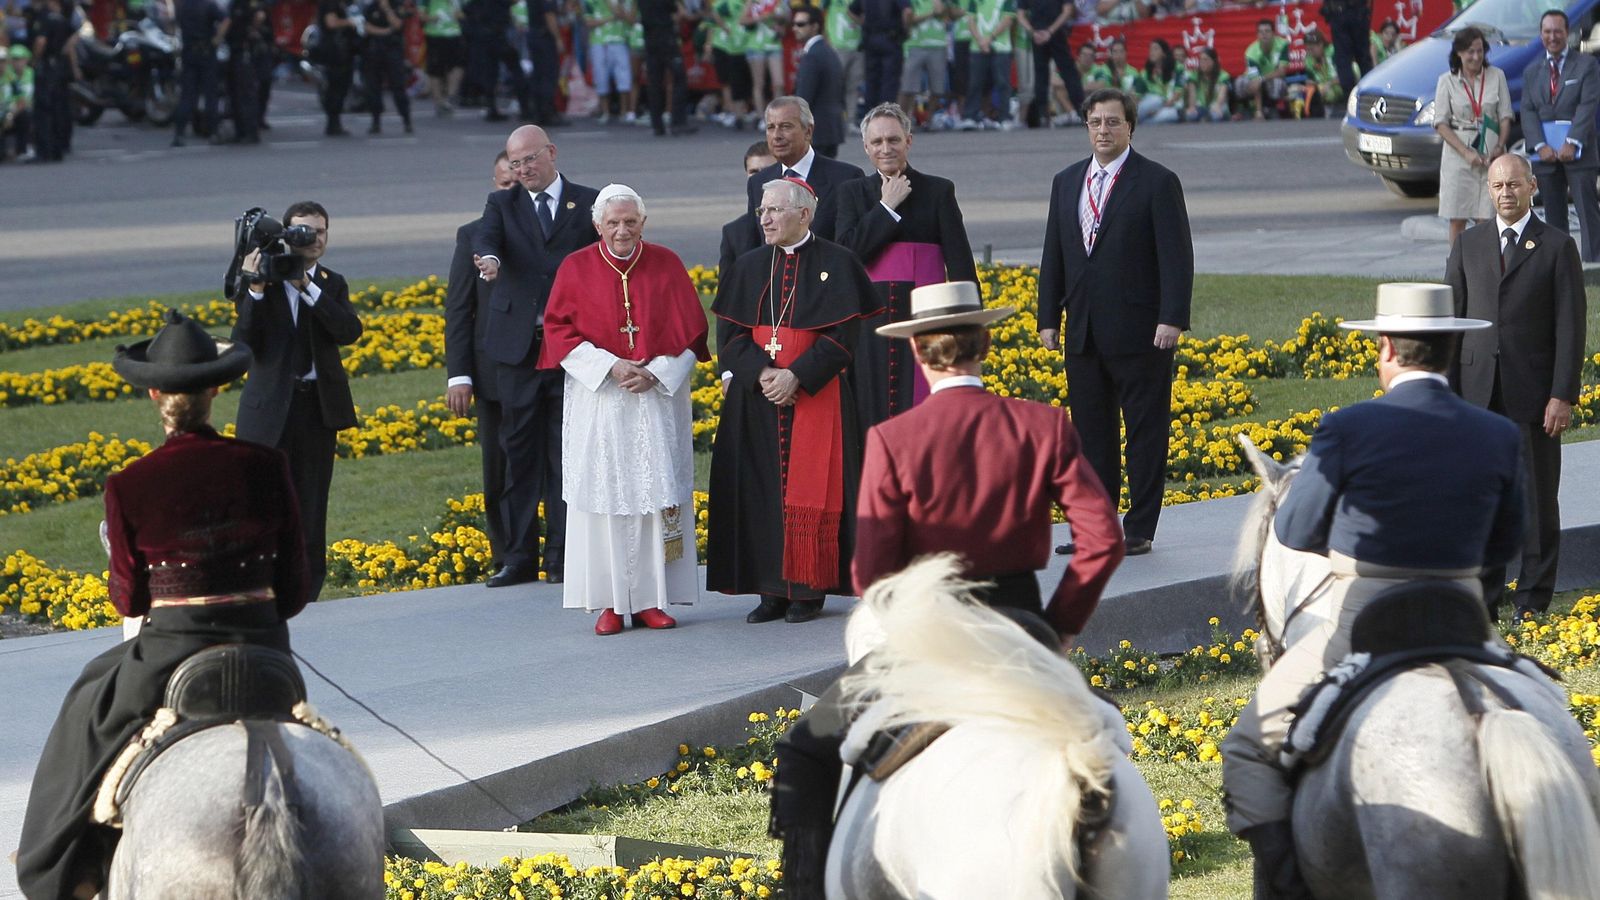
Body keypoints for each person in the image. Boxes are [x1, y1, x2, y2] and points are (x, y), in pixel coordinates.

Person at [1220, 282, 1520, 900]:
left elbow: (1295, 527)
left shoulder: (1347, 427)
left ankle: (1287, 883)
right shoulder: (1497, 433)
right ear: (1448, 350)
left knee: (1248, 750)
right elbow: (1505, 549)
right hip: (1467, 621)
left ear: (1385, 348)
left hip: (1361, 624)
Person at [16, 311, 308, 900]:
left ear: (155, 394)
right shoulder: (266, 465)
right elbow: (297, 590)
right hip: (265, 649)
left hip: (171, 655)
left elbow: (128, 597)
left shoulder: (129, 484)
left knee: (86, 704)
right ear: (216, 390)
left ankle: (67, 872)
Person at [854, 280, 1125, 635]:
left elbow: (871, 573)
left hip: (932, 630)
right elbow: (1103, 538)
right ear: (985, 344)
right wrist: (1058, 627)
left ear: (916, 350)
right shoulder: (1042, 426)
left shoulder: (892, 440)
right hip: (1020, 620)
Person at [538, 185, 711, 634]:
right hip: (601, 403)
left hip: (654, 402)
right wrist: (612, 366)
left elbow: (693, 336)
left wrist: (655, 371)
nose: (621, 231)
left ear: (643, 224)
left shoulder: (666, 263)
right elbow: (559, 333)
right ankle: (610, 602)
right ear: (597, 225)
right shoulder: (575, 268)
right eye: (612, 222)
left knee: (654, 497)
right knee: (605, 496)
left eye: (629, 222)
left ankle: (653, 599)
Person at [707, 177, 877, 624]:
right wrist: (764, 374)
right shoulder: (748, 266)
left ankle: (808, 590)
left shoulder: (838, 263)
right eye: (762, 210)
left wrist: (796, 376)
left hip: (816, 396)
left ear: (804, 214)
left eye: (775, 210)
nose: (764, 218)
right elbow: (730, 337)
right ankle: (769, 589)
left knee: (815, 489)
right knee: (760, 489)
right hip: (757, 398)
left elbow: (844, 337)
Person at [1038, 88, 1193, 557]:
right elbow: (1054, 254)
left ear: (1130, 127)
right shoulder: (1066, 182)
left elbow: (1176, 256)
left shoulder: (1156, 181)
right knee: (1091, 434)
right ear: (1085, 126)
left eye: (1112, 122)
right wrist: (1048, 316)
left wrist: (1172, 317)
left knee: (1145, 430)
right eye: (1095, 122)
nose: (1103, 130)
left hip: (1142, 332)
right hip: (1083, 332)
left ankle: (1140, 527)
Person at [1448, 153, 1586, 618]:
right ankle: (1484, 599)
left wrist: (1562, 393)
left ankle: (1532, 598)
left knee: (1537, 501)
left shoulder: (1556, 246)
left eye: (1513, 185)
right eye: (1497, 186)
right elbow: (1452, 323)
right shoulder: (1468, 245)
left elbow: (1571, 326)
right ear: (1488, 191)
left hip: (1534, 395)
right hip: (1477, 395)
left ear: (1532, 187)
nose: (1505, 193)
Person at [473, 125, 601, 588]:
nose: (522, 169)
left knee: (567, 457)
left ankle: (563, 558)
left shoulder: (588, 201)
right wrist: (490, 261)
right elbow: (486, 241)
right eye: (514, 163)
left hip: (571, 350)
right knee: (519, 454)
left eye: (529, 160)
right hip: (517, 351)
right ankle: (518, 557)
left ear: (551, 153)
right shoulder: (501, 204)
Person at [232, 201, 364, 603]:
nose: (314, 239)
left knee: (311, 501)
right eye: (304, 231)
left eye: (321, 232)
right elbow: (244, 342)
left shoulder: (330, 282)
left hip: (315, 409)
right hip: (268, 411)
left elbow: (347, 330)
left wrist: (308, 288)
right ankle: (262, 583)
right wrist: (254, 287)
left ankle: (308, 588)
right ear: (287, 235)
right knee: (263, 501)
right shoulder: (263, 277)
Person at [834, 102, 976, 427]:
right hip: (870, 327)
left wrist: (967, 328)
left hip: (928, 322)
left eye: (894, 140)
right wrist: (887, 208)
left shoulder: (939, 190)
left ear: (908, 141)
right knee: (872, 417)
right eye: (878, 142)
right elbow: (847, 254)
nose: (886, 148)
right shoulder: (852, 193)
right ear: (866, 147)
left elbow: (961, 265)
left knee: (927, 419)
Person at [445, 153, 519, 572]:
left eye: (518, 184)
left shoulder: (547, 231)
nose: (512, 192)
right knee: (498, 467)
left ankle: (557, 553)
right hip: (491, 374)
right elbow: (459, 309)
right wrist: (460, 375)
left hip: (544, 369)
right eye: (504, 185)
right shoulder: (472, 236)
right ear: (494, 186)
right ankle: (506, 555)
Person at [1522, 9, 1600, 263]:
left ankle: (1593, 266)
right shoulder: (1532, 72)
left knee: (1587, 213)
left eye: (1557, 31)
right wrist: (1540, 145)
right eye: (1547, 32)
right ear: (1541, 34)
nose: (1552, 37)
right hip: (1546, 157)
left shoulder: (1587, 65)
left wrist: (1572, 141)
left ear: (1568, 33)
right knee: (1554, 217)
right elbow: (1528, 110)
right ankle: (1561, 267)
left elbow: (1588, 104)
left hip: (1579, 153)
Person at [743, 95, 865, 240]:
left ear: (808, 131)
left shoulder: (846, 178)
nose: (776, 135)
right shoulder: (758, 182)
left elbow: (853, 244)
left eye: (785, 126)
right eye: (771, 127)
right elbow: (753, 244)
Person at [1433, 26, 1511, 245]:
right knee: (1457, 216)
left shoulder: (1497, 76)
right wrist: (1465, 152)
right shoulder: (1446, 81)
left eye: (1479, 51)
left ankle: (1483, 268)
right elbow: (1440, 123)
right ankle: (1457, 268)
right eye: (1470, 52)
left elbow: (1505, 115)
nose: (1476, 57)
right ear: (1459, 52)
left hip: (1491, 153)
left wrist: (1500, 146)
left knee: (1487, 217)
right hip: (1458, 154)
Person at [171, 0, 227, 147]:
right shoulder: (208, 5)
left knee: (187, 96)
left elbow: (174, 25)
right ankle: (213, 132)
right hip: (207, 53)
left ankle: (179, 134)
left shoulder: (183, 7)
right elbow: (226, 20)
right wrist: (217, 40)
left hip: (189, 53)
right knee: (210, 96)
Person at [1016, 0, 1080, 129]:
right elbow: (1067, 11)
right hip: (1050, 33)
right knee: (1064, 73)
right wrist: (1045, 32)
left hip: (1043, 34)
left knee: (1045, 74)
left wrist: (1035, 32)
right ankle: (1079, 111)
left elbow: (1020, 16)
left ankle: (1043, 115)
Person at [791, 5, 845, 157]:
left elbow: (803, 99)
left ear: (815, 26)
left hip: (816, 132)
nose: (795, 28)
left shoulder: (812, 56)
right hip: (831, 128)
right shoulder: (828, 51)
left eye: (801, 24)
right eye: (794, 24)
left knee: (812, 179)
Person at [721, 140, 778, 277]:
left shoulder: (799, 223)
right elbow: (726, 291)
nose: (760, 178)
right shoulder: (733, 232)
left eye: (767, 171)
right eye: (754, 172)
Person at [27, 0, 74, 163]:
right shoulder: (61, 18)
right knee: (58, 109)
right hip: (59, 66)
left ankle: (43, 151)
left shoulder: (44, 17)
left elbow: (41, 41)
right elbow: (72, 40)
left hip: (46, 67)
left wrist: (33, 60)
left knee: (43, 110)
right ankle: (57, 149)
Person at [640, 0, 695, 135]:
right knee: (679, 78)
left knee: (654, 82)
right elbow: (680, 13)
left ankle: (657, 124)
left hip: (650, 40)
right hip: (666, 38)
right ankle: (678, 121)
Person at [362, 0, 416, 133]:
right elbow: (366, 27)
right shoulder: (371, 7)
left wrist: (387, 9)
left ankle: (406, 119)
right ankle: (376, 121)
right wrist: (385, 31)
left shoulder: (396, 5)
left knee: (398, 85)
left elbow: (397, 24)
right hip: (374, 51)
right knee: (373, 87)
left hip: (393, 51)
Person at [960, 0, 1013, 130]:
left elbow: (1007, 19)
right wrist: (980, 40)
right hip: (978, 47)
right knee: (975, 83)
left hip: (1001, 47)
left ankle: (1004, 118)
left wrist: (989, 39)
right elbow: (971, 20)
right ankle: (970, 117)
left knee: (1002, 84)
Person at [850, 0, 908, 110]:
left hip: (870, 40)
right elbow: (907, 11)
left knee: (871, 81)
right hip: (891, 40)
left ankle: (871, 114)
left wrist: (864, 24)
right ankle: (886, 114)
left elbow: (851, 10)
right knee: (889, 82)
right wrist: (906, 29)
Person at [896, 0, 946, 121]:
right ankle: (902, 120)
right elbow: (909, 20)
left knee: (937, 88)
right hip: (915, 45)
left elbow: (946, 14)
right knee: (908, 87)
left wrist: (939, 9)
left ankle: (929, 120)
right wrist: (931, 13)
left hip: (938, 45)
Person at [585, 0, 634, 122]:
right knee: (601, 76)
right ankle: (605, 112)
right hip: (598, 42)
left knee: (623, 76)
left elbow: (629, 18)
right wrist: (609, 18)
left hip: (619, 40)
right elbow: (588, 22)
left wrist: (615, 5)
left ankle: (624, 111)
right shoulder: (590, 1)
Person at [315, 0, 358, 136]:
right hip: (336, 50)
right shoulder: (331, 3)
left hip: (338, 49)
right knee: (337, 86)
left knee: (339, 87)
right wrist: (349, 22)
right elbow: (331, 22)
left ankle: (334, 122)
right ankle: (333, 123)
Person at [525, 0, 568, 126]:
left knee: (538, 75)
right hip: (544, 37)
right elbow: (549, 16)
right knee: (548, 75)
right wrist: (558, 38)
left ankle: (538, 112)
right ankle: (547, 113)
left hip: (534, 34)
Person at [1235, 19, 1288, 120]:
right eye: (1261, 32)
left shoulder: (1283, 44)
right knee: (1240, 83)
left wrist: (1262, 78)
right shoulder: (1251, 52)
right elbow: (1255, 80)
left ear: (1273, 33)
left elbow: (1282, 72)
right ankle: (1249, 108)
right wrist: (1258, 111)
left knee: (1278, 84)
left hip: (1271, 79)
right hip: (1255, 81)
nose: (1264, 34)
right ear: (1257, 35)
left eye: (1267, 31)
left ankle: (1272, 107)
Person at [821, 0, 862, 127]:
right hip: (837, 47)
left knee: (853, 87)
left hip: (858, 47)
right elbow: (821, 14)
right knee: (834, 86)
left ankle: (850, 120)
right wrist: (826, 38)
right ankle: (833, 119)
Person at [1320, 0, 1371, 99]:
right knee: (1362, 56)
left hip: (1340, 12)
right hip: (1357, 12)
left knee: (1344, 57)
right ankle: (1368, 92)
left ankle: (1349, 95)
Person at [423, 0, 466, 116]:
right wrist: (433, 18)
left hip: (454, 34)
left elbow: (463, 13)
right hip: (435, 35)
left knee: (459, 65)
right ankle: (439, 102)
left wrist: (457, 14)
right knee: (435, 70)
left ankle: (450, 96)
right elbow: (421, 15)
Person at [1291, 28, 1340, 118]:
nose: (1309, 52)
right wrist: (1306, 87)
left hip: (1337, 84)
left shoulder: (1333, 52)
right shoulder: (1308, 59)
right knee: (1295, 91)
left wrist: (1329, 84)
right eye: (1307, 49)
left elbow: (1344, 75)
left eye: (1312, 49)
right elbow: (1310, 80)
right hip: (1322, 87)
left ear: (1321, 45)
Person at [2, 44, 32, 160]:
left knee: (25, 114)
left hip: (10, 112)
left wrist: (10, 115)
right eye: (13, 59)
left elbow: (21, 99)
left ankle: (22, 149)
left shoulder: (12, 78)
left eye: (3, 62)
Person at [1186, 45, 1229, 122]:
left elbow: (1222, 95)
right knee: (1191, 115)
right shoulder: (1194, 75)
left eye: (1206, 60)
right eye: (1201, 60)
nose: (1203, 63)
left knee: (1216, 115)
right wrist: (1192, 107)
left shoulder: (1223, 75)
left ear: (1214, 61)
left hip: (1217, 106)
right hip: (1200, 107)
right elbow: (1192, 95)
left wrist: (1217, 105)